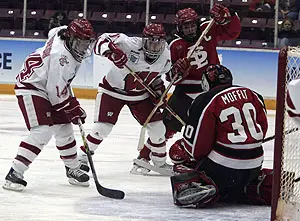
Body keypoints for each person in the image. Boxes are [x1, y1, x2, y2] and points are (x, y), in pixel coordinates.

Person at [78, 23, 187, 175]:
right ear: (143, 40)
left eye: (158, 43)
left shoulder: (166, 56)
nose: (154, 47)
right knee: (102, 128)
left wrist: (159, 93)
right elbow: (99, 41)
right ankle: (82, 157)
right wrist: (111, 53)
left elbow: (156, 79)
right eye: (151, 42)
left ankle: (159, 163)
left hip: (139, 96)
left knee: (158, 128)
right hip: (112, 92)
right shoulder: (127, 43)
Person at [3, 19, 96, 192]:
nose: (82, 47)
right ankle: (15, 173)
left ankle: (72, 168)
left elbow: (54, 30)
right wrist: (72, 108)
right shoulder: (60, 58)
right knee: (42, 130)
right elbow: (55, 94)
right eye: (79, 42)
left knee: (65, 128)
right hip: (32, 86)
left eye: (86, 43)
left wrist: (71, 108)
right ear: (70, 37)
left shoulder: (61, 32)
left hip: (48, 84)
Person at [168, 64, 270, 207]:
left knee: (178, 151)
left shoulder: (205, 100)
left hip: (223, 169)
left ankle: (203, 187)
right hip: (254, 165)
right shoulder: (254, 95)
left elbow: (197, 149)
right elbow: (263, 130)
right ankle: (251, 186)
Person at [161, 5, 241, 140]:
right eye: (186, 27)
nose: (190, 30)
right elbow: (169, 76)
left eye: (192, 25)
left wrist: (229, 16)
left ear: (197, 23)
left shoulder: (207, 28)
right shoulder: (174, 44)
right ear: (179, 28)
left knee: (215, 126)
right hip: (185, 90)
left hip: (212, 87)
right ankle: (152, 154)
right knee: (167, 125)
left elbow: (232, 32)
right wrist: (177, 72)